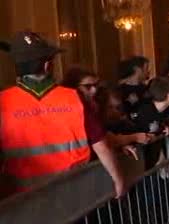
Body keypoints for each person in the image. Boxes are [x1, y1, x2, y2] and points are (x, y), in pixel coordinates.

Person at [0, 31, 127, 199]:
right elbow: (100, 145)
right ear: (47, 66)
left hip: (24, 199)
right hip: (74, 192)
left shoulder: (3, 101)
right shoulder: (73, 97)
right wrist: (118, 179)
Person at [117, 56, 151, 121]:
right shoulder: (120, 90)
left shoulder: (147, 89)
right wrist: (128, 103)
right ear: (137, 69)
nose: (148, 72)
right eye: (146, 68)